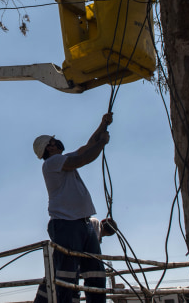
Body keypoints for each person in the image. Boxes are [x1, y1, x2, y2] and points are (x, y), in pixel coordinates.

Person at [32, 113, 113, 303]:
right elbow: (83, 158)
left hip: (82, 223)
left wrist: (102, 125)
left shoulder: (61, 160)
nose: (55, 142)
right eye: (52, 142)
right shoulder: (52, 163)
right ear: (48, 148)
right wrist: (102, 143)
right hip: (67, 224)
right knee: (67, 276)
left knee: (95, 274)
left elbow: (86, 147)